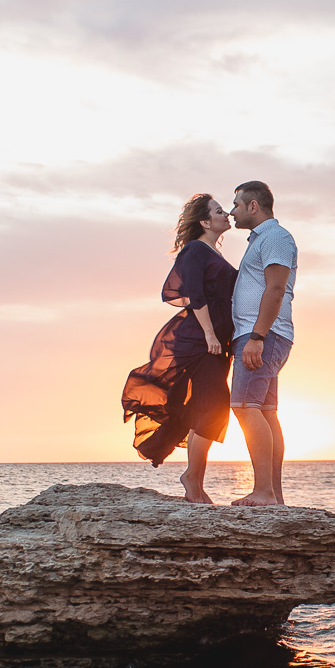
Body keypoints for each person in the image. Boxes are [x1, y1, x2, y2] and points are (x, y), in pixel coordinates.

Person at [121, 194, 238, 503]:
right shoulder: (196, 250)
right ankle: (193, 480)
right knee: (213, 405)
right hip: (202, 342)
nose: (226, 214)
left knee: (208, 405)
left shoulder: (211, 251)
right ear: (204, 221)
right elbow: (195, 294)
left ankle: (194, 480)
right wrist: (211, 335)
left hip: (216, 343)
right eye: (219, 211)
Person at [227, 180, 296, 506]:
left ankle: (264, 492)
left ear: (253, 206)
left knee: (244, 407)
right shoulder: (262, 240)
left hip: (262, 336)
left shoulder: (276, 238)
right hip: (261, 335)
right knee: (265, 411)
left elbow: (276, 288)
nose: (232, 211)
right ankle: (274, 495)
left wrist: (257, 336)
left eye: (237, 205)